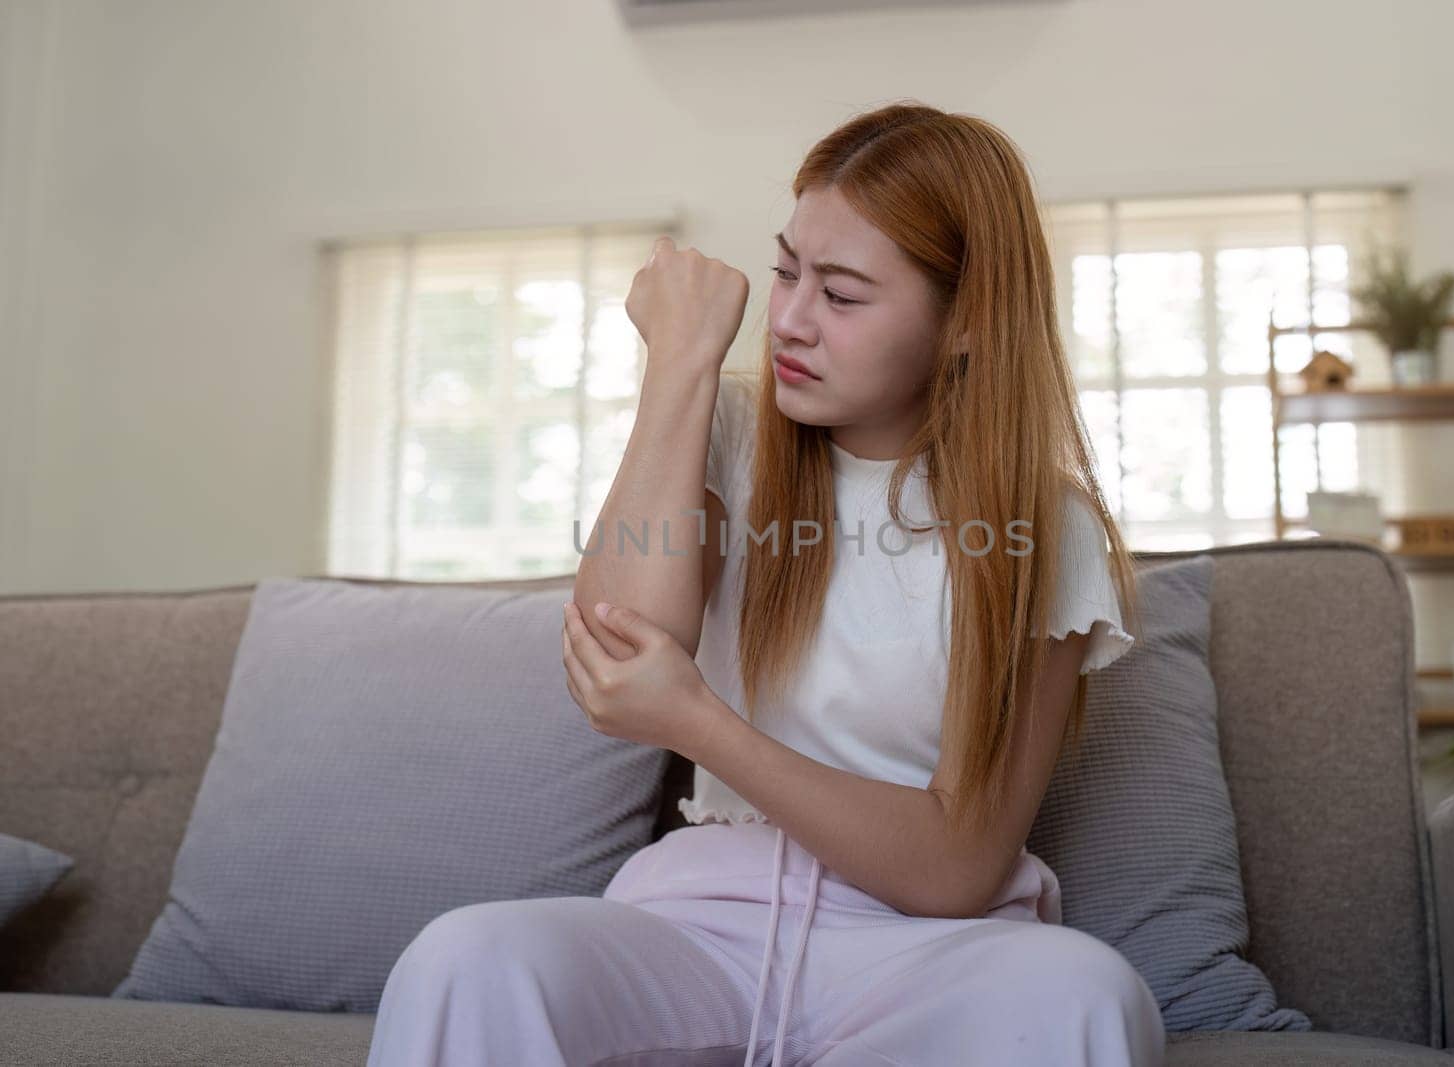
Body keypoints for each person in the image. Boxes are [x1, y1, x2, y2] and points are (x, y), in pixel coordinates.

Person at [366, 101, 1163, 1067]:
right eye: (786, 271)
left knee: (1085, 992)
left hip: (930, 952)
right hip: (702, 930)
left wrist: (701, 721)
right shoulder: (735, 434)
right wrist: (680, 366)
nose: (787, 319)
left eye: (842, 293)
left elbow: (960, 863)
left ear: (967, 322)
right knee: (467, 957)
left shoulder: (1048, 529)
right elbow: (617, 658)